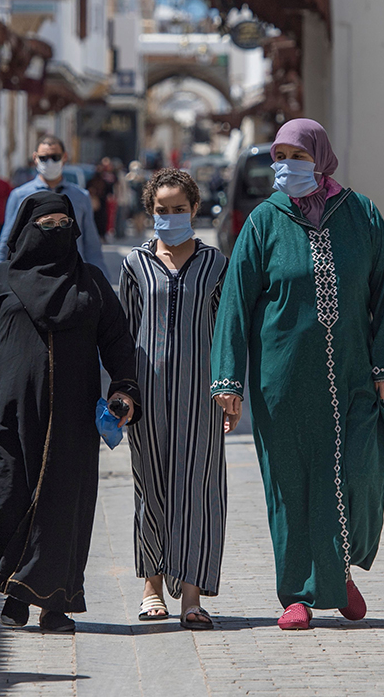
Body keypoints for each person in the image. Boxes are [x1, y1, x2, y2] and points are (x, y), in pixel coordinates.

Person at [211, 118, 384, 630]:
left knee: (357, 472)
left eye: (296, 156)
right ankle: (296, 593)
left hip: (352, 375)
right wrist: (228, 380)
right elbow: (235, 303)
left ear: (319, 157)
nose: (286, 166)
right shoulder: (263, 222)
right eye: (279, 157)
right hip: (283, 379)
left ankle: (338, 574)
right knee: (289, 482)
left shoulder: (361, 214)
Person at [0, 191, 141, 633]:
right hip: (9, 415)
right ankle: (15, 592)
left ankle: (55, 603)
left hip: (72, 421)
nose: (55, 231)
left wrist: (125, 390)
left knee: (64, 507)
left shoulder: (91, 281)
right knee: (9, 498)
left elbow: (117, 342)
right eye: (46, 224)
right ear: (26, 230)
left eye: (63, 223)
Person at [119, 168, 228, 631]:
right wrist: (119, 392)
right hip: (146, 398)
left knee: (197, 490)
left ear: (194, 209)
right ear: (151, 213)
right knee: (151, 488)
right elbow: (121, 333)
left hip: (201, 397)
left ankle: (191, 595)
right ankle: (151, 587)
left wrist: (231, 387)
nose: (170, 218)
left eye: (178, 210)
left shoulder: (216, 265)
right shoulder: (135, 265)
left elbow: (228, 333)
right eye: (162, 211)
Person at [0, 136, 107, 274]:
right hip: (32, 275)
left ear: (64, 157)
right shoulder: (20, 196)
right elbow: (6, 243)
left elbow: (92, 246)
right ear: (35, 158)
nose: (50, 162)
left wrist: (102, 284)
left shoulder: (81, 197)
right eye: (44, 158)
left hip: (71, 275)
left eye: (55, 157)